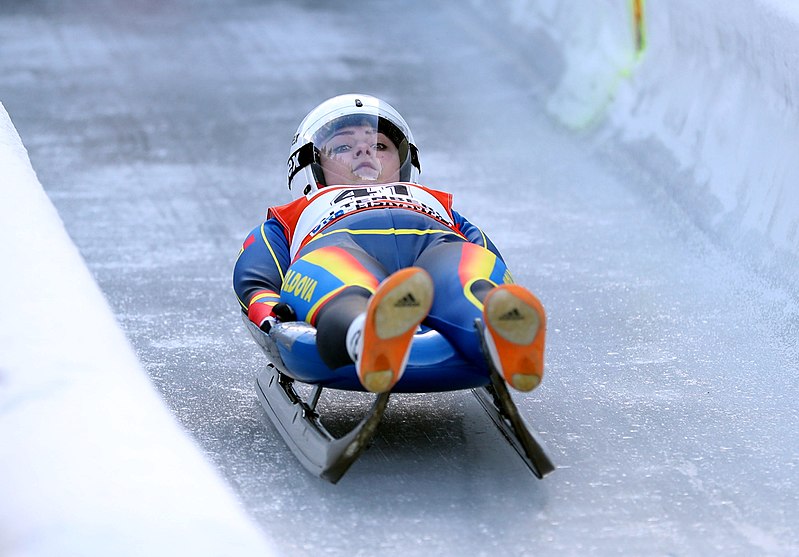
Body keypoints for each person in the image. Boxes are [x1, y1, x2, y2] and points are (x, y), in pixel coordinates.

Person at [233, 94, 546, 394]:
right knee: (339, 276)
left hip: (435, 243)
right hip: (339, 245)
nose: (365, 151)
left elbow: (485, 253)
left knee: (465, 272)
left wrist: (496, 285)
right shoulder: (293, 216)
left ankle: (496, 325)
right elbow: (255, 275)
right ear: (308, 168)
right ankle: (365, 329)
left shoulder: (440, 207)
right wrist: (272, 314)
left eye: (379, 145)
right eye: (343, 145)